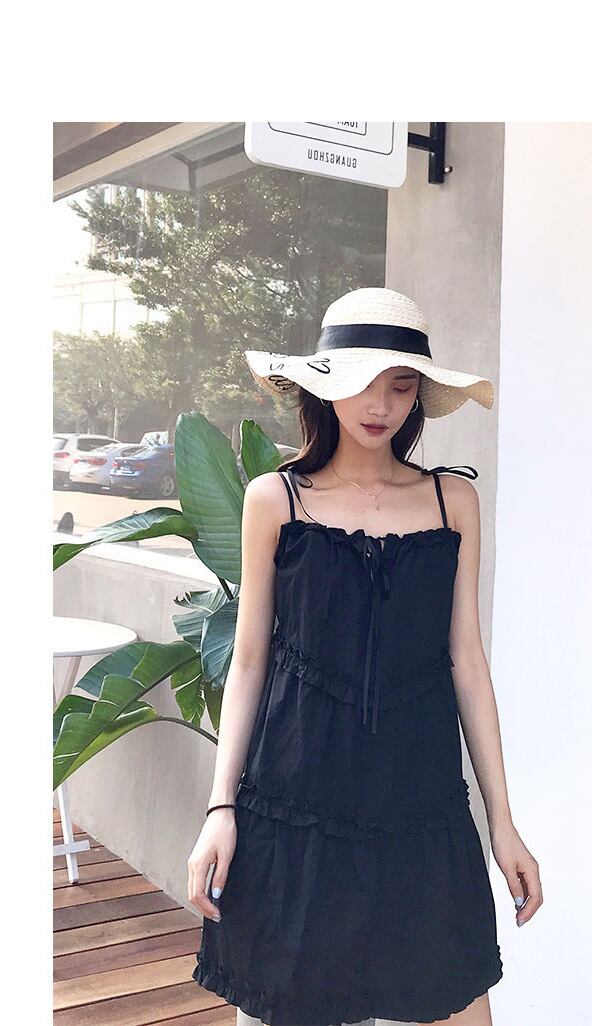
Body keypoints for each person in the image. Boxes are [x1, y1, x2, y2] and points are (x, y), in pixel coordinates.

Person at [188, 287, 543, 1026]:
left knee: (456, 1004)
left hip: (419, 801)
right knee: (288, 1003)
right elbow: (249, 660)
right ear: (324, 387)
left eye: (401, 385)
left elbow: (467, 661)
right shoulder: (275, 498)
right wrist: (221, 808)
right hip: (296, 799)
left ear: (418, 397)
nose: (380, 404)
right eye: (361, 382)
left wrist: (503, 822)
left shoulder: (452, 502)